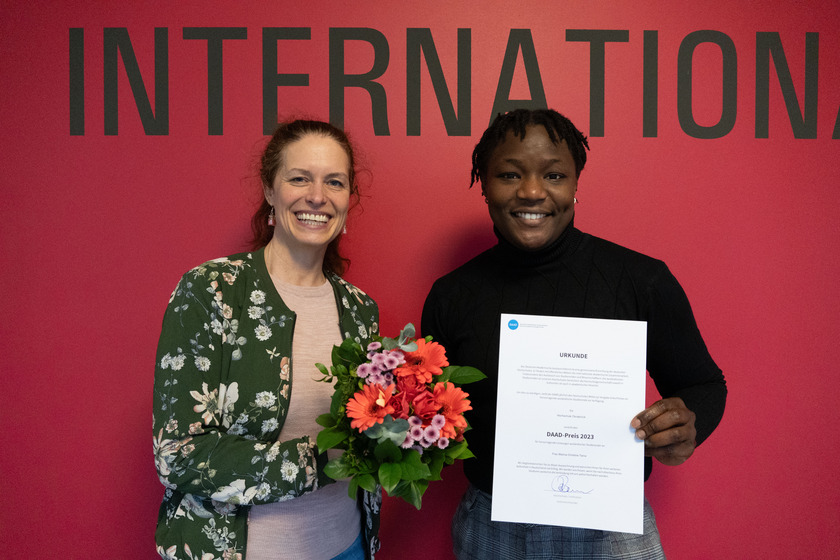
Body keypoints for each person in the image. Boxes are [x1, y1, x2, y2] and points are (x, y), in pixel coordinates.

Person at [421, 108, 727, 559]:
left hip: (610, 527)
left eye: (554, 175)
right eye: (508, 174)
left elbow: (703, 384)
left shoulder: (640, 281)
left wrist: (686, 426)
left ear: (575, 184)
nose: (531, 191)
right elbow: (433, 415)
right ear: (483, 184)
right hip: (493, 528)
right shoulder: (452, 296)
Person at [153, 120, 381, 560]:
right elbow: (178, 453)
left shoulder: (360, 309)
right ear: (270, 189)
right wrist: (318, 461)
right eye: (299, 178)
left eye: (334, 182)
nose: (318, 195)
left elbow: (366, 430)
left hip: (346, 545)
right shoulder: (212, 290)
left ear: (349, 199)